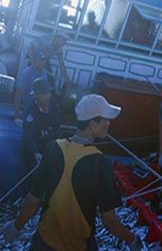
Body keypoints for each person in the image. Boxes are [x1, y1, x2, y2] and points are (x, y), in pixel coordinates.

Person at [0, 94, 143, 250]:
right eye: (105, 120)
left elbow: (33, 199)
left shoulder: (53, 148)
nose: (109, 124)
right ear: (92, 124)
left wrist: (16, 226)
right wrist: (131, 238)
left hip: (43, 242)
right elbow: (108, 219)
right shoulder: (100, 163)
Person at [22, 78, 60, 168]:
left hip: (49, 146)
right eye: (43, 94)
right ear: (35, 95)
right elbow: (28, 137)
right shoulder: (30, 112)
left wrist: (56, 144)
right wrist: (36, 153)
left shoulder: (53, 104)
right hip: (34, 148)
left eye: (48, 93)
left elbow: (57, 126)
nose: (47, 96)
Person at [14, 50, 49, 124]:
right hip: (29, 109)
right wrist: (17, 116)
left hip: (40, 109)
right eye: (40, 60)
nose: (42, 63)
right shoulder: (27, 73)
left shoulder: (44, 73)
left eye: (44, 60)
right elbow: (18, 94)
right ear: (34, 60)